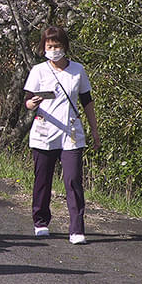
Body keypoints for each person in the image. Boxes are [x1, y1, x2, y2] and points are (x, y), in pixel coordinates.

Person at [23, 26, 101, 245]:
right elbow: (28, 102)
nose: (54, 50)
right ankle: (41, 222)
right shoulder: (39, 71)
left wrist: (94, 130)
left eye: (57, 46)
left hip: (71, 132)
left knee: (73, 179)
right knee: (42, 180)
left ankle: (76, 228)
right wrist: (33, 102)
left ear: (65, 47)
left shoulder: (78, 70)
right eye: (49, 46)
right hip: (44, 132)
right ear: (43, 48)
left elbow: (87, 101)